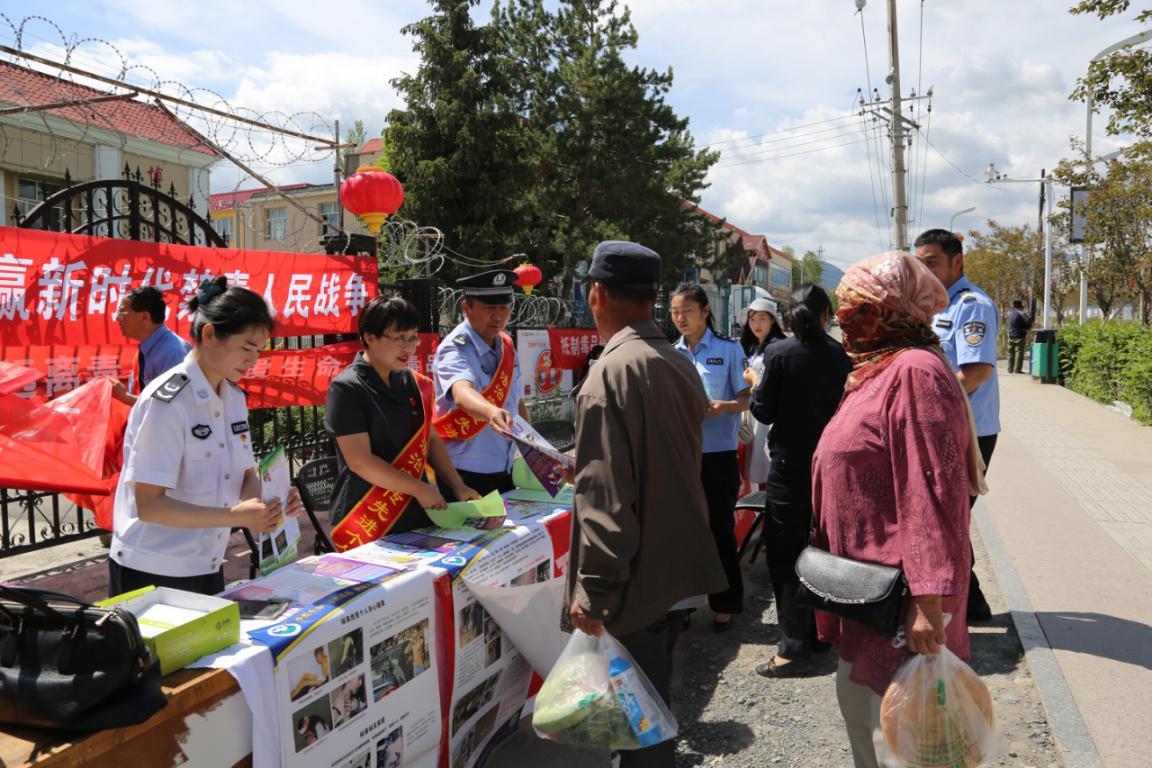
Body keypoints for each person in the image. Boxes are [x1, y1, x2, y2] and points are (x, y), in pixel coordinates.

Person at [812, 251, 987, 768]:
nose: (844, 320)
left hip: (902, 603)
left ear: (892, 312)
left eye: (857, 309)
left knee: (902, 742)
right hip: (869, 593)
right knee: (873, 727)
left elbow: (932, 489)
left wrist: (927, 601)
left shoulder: (913, 372)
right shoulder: (877, 370)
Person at [565, 241, 726, 768]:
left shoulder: (608, 374)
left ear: (596, 295)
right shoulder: (676, 363)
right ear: (656, 299)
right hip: (675, 567)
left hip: (635, 578)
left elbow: (607, 501)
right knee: (653, 700)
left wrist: (595, 593)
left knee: (638, 720)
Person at [108, 276, 302, 597]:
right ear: (210, 335)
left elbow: (245, 475)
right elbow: (149, 505)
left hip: (208, 562)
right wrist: (234, 516)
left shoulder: (233, 398)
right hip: (152, 569)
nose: (254, 359)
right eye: (246, 347)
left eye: (259, 349)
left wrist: (271, 501)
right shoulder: (168, 401)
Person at [325, 295, 484, 550]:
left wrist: (457, 485)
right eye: (399, 338)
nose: (408, 348)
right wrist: (420, 489)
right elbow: (360, 461)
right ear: (370, 338)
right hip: (369, 514)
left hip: (415, 511)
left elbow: (430, 438)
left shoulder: (412, 382)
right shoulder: (347, 388)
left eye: (412, 338)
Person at [749, 284, 851, 678]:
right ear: (827, 315)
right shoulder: (842, 356)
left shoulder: (778, 354)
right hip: (833, 467)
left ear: (789, 317)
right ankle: (823, 635)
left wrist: (757, 384)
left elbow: (763, 410)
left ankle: (793, 648)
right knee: (826, 550)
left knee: (785, 556)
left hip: (790, 468)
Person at [914, 229, 1000, 621]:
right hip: (943, 425)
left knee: (948, 517)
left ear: (957, 261)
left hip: (968, 429)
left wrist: (928, 405)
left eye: (932, 261)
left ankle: (967, 605)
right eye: (920, 262)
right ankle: (973, 604)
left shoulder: (972, 306)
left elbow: (977, 371)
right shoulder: (935, 306)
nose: (925, 269)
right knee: (946, 517)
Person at [671, 284, 750, 632]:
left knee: (719, 529)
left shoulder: (729, 350)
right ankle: (685, 603)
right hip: (680, 455)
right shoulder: (670, 353)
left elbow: (749, 399)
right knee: (683, 532)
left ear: (705, 311)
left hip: (718, 455)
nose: (679, 318)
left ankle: (725, 603)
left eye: (686, 310)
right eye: (674, 312)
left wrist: (724, 407)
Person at [432, 270, 531, 500]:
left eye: (504, 309)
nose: (498, 317)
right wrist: (490, 411)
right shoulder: (455, 347)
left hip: (505, 465)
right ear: (467, 308)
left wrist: (534, 449)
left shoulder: (505, 344)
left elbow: (514, 400)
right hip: (466, 473)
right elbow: (461, 391)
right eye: (489, 309)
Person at [112, 286, 192, 406]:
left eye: (122, 313)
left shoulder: (172, 353)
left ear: (144, 316)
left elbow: (171, 406)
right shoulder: (145, 350)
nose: (117, 318)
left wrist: (125, 397)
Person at [738, 296, 786, 489]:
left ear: (773, 320)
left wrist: (753, 382)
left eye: (762, 318)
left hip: (768, 416)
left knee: (765, 468)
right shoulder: (754, 348)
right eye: (752, 319)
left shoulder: (775, 349)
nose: (756, 324)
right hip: (755, 412)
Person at [1006, 299, 1032, 374]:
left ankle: (1010, 369)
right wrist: (1026, 327)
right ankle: (1017, 370)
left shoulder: (1009, 313)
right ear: (1021, 306)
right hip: (1019, 336)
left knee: (1010, 353)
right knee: (1019, 353)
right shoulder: (1022, 313)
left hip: (1010, 335)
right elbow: (1028, 322)